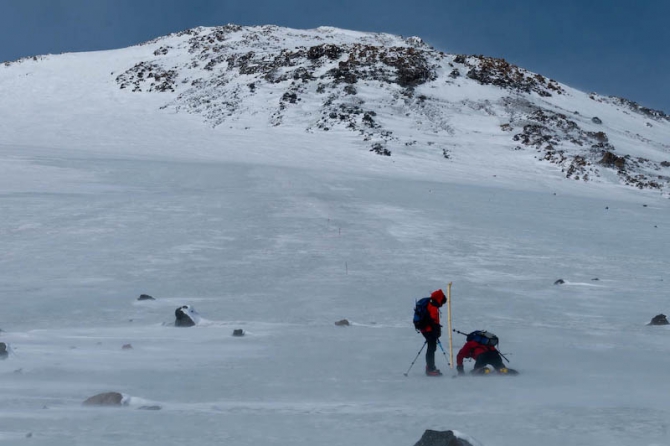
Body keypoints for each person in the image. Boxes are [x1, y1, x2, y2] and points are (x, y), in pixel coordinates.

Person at [419, 289, 447, 376]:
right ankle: (430, 369)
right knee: (431, 348)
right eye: (442, 303)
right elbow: (433, 321)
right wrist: (436, 331)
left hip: (426, 329)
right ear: (439, 300)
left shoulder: (430, 302)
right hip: (429, 330)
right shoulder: (433, 307)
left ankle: (430, 366)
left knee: (431, 348)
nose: (441, 305)